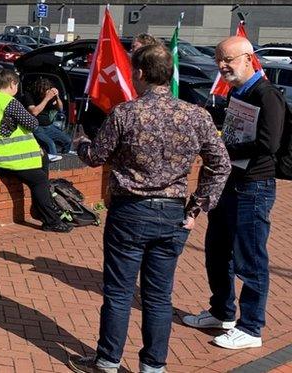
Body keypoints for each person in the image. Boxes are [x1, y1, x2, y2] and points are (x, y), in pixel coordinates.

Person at [67, 44, 230, 373]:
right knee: (158, 297)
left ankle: (108, 360)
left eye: (133, 71)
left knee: (119, 291)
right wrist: (196, 209)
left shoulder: (127, 113)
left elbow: (97, 156)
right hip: (172, 213)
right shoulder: (196, 115)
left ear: (140, 73)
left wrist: (81, 141)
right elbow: (221, 165)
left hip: (130, 212)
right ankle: (153, 366)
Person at [181, 36, 284, 350]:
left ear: (249, 58)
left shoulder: (267, 95)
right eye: (218, 60)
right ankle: (222, 312)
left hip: (253, 186)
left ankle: (251, 327)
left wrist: (224, 148)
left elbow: (269, 145)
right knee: (216, 250)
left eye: (228, 59)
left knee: (250, 259)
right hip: (230, 182)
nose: (222, 66)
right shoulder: (237, 92)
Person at [0, 68, 70, 233]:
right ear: (12, 84)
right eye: (17, 85)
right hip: (7, 156)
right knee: (39, 180)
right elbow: (32, 123)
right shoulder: (9, 102)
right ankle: (50, 220)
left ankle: (40, 209)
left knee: (44, 158)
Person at [22, 77, 71, 160]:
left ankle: (64, 161)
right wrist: (46, 98)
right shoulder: (28, 95)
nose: (45, 93)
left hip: (49, 126)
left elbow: (60, 109)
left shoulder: (49, 96)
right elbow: (34, 112)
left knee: (67, 141)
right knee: (50, 144)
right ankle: (52, 166)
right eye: (43, 91)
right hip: (36, 127)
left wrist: (57, 97)